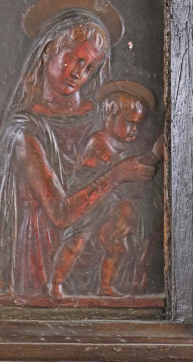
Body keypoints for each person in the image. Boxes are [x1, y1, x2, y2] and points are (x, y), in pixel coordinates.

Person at [0, 0, 158, 300]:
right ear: (49, 49)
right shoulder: (25, 130)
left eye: (90, 67)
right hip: (40, 259)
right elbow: (60, 214)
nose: (78, 73)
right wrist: (118, 174)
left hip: (100, 250)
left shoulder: (105, 117)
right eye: (74, 59)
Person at [48, 80, 164, 298]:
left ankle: (106, 286)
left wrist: (153, 156)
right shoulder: (99, 141)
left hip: (110, 202)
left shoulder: (126, 145)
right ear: (110, 117)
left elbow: (132, 172)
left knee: (116, 244)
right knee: (76, 243)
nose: (134, 130)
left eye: (138, 125)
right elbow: (98, 176)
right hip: (89, 205)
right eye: (129, 123)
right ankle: (55, 284)